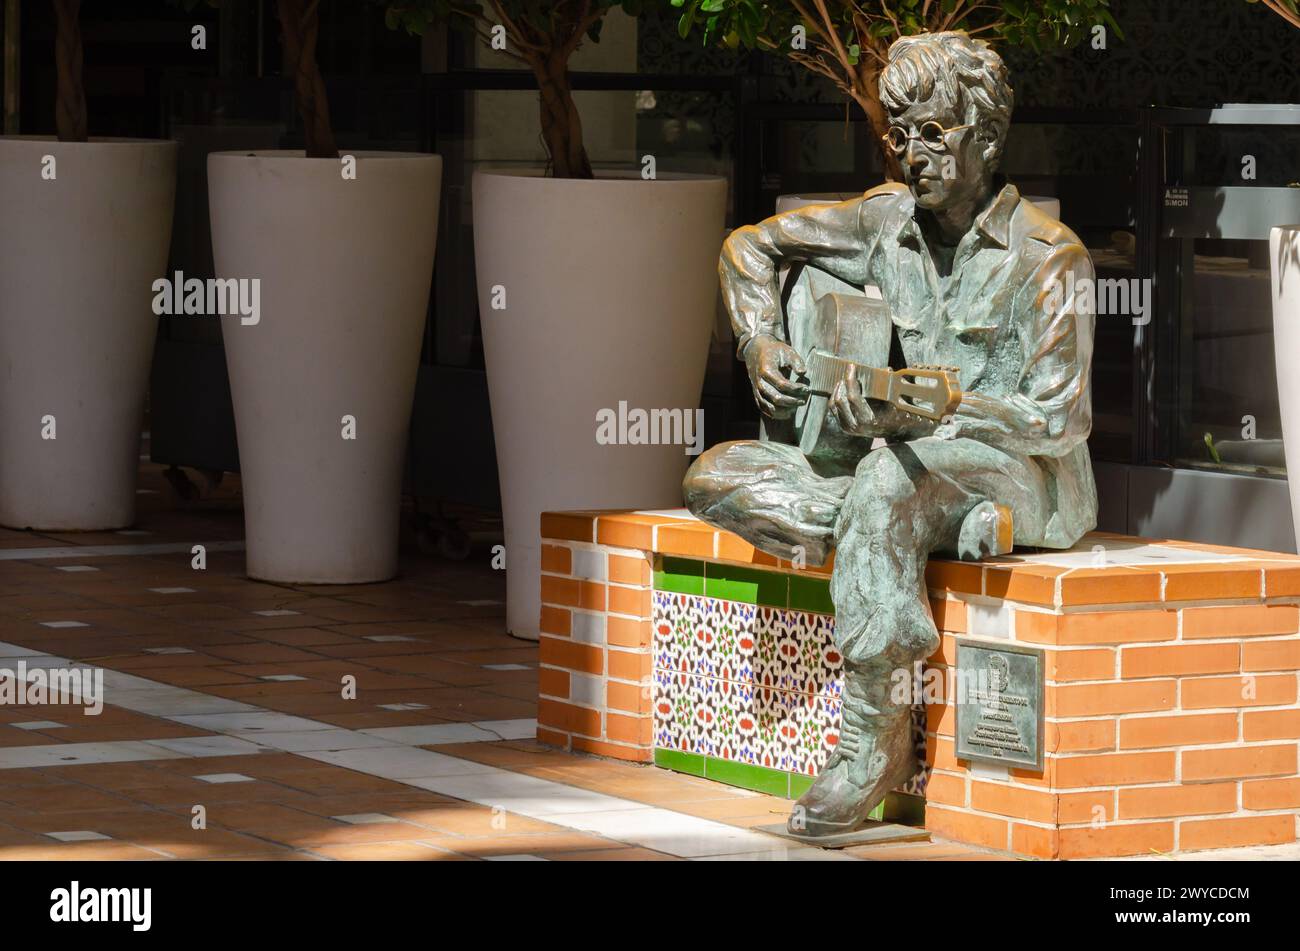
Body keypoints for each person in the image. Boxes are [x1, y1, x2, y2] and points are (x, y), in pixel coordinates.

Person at [682, 31, 1097, 837]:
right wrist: (759, 339)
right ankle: (908, 529)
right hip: (910, 464)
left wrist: (933, 408)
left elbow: (1058, 417)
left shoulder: (1052, 258)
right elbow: (749, 248)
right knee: (714, 475)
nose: (912, 154)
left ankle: (871, 743)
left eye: (932, 134)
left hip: (1019, 471)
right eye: (899, 136)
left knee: (883, 480)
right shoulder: (885, 219)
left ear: (987, 134)